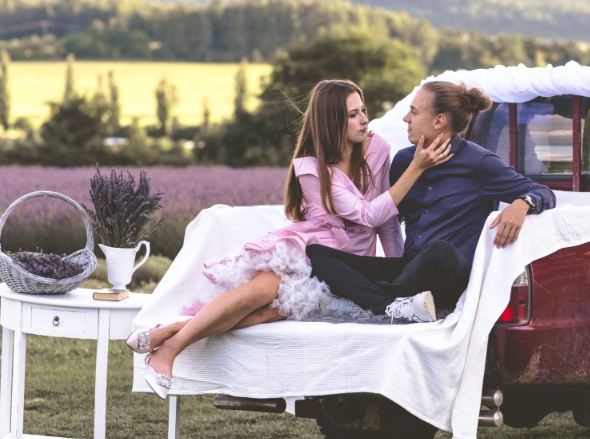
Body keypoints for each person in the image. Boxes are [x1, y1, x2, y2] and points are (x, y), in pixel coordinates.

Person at [126, 79, 453, 398]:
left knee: (272, 312)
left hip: (345, 265)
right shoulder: (311, 168)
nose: (364, 119)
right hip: (308, 252)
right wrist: (416, 169)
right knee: (261, 292)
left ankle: (170, 331)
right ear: (332, 122)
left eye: (363, 110)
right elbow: (367, 214)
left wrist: (397, 271)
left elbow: (387, 222)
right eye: (353, 114)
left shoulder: (378, 149)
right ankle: (169, 351)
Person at [307, 80, 556, 322]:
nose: (406, 118)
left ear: (439, 121)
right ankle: (389, 304)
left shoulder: (479, 163)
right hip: (410, 269)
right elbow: (388, 221)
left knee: (440, 251)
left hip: (448, 274)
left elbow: (543, 192)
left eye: (414, 112)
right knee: (317, 255)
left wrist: (523, 203)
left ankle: (373, 297)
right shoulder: (405, 162)